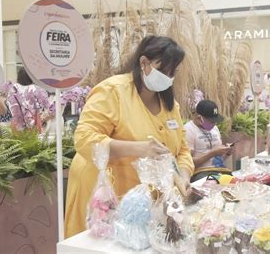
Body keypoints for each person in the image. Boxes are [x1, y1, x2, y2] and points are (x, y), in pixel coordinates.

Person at [65, 36, 194, 238]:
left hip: (143, 203)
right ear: (144, 62)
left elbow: (182, 150)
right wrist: (140, 149)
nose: (168, 77)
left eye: (172, 72)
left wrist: (183, 177)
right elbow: (84, 138)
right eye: (163, 70)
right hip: (103, 198)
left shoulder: (170, 105)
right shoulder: (112, 91)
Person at [185, 100, 233, 182]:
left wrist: (226, 152)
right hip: (201, 173)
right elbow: (189, 163)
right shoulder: (188, 130)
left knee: (236, 184)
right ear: (199, 118)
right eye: (211, 121)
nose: (214, 124)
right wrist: (212, 153)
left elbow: (218, 159)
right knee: (216, 185)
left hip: (219, 170)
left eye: (215, 121)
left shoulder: (214, 129)